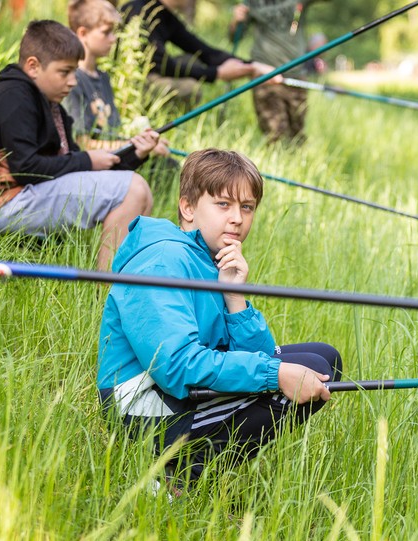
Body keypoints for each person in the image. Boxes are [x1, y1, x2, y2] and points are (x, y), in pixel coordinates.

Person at [97, 148, 342, 483]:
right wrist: (275, 375)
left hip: (178, 394)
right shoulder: (163, 260)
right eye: (223, 204)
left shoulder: (210, 262)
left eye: (247, 207)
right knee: (300, 373)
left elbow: (260, 356)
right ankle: (173, 474)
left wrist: (234, 295)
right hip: (144, 407)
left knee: (323, 360)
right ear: (188, 208)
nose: (237, 218)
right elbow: (177, 366)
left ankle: (184, 470)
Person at [0, 19, 160, 270]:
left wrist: (135, 154)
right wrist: (88, 159)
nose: (73, 81)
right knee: (132, 189)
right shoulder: (13, 96)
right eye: (64, 72)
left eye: (74, 72)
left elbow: (70, 164)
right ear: (33, 66)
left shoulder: (47, 102)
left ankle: (122, 287)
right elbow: (24, 168)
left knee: (137, 190)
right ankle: (107, 294)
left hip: (22, 195)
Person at [120, 0, 278, 107]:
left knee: (191, 60)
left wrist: (252, 67)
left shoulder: (165, 15)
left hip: (146, 75)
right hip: (126, 84)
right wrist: (216, 74)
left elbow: (204, 52)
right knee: (189, 88)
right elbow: (160, 65)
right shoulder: (138, 11)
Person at [63, 0, 170, 159]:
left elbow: (113, 133)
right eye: (106, 32)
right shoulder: (72, 81)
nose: (113, 39)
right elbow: (82, 143)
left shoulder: (103, 77)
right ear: (83, 33)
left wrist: (144, 140)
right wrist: (134, 146)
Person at [230, 0, 327, 143]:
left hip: (296, 74)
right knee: (274, 133)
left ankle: (297, 163)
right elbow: (234, 37)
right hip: (265, 75)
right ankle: (274, 163)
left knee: (297, 134)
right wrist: (236, 20)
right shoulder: (251, 2)